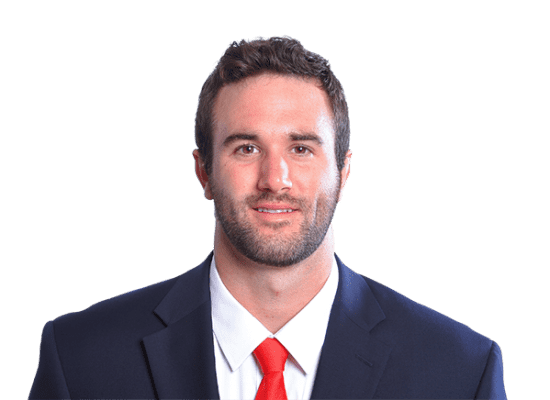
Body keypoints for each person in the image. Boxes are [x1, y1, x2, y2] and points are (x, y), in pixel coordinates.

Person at [29, 35, 506, 399]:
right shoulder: (80, 360)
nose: (274, 179)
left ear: (343, 173)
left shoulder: (460, 372)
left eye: (301, 149)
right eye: (246, 148)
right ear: (204, 172)